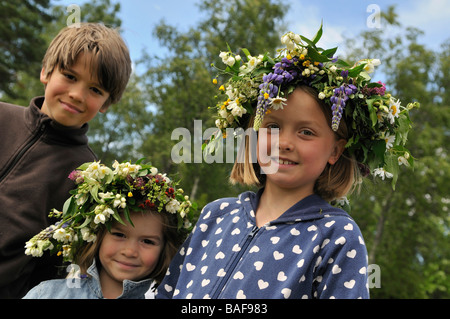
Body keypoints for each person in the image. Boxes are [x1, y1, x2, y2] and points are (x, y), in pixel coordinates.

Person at [156, 26, 418, 299]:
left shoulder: (336, 235)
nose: (284, 143)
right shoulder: (216, 215)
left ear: (335, 151)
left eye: (306, 132)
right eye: (273, 126)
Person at [0, 23, 132, 298]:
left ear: (106, 104)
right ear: (46, 71)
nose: (77, 94)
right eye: (70, 76)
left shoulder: (89, 178)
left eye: (95, 90)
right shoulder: (2, 117)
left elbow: (59, 264)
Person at [23, 160, 194, 299]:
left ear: (165, 249)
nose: (130, 251)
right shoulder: (47, 294)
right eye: (119, 234)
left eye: (147, 241)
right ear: (97, 236)